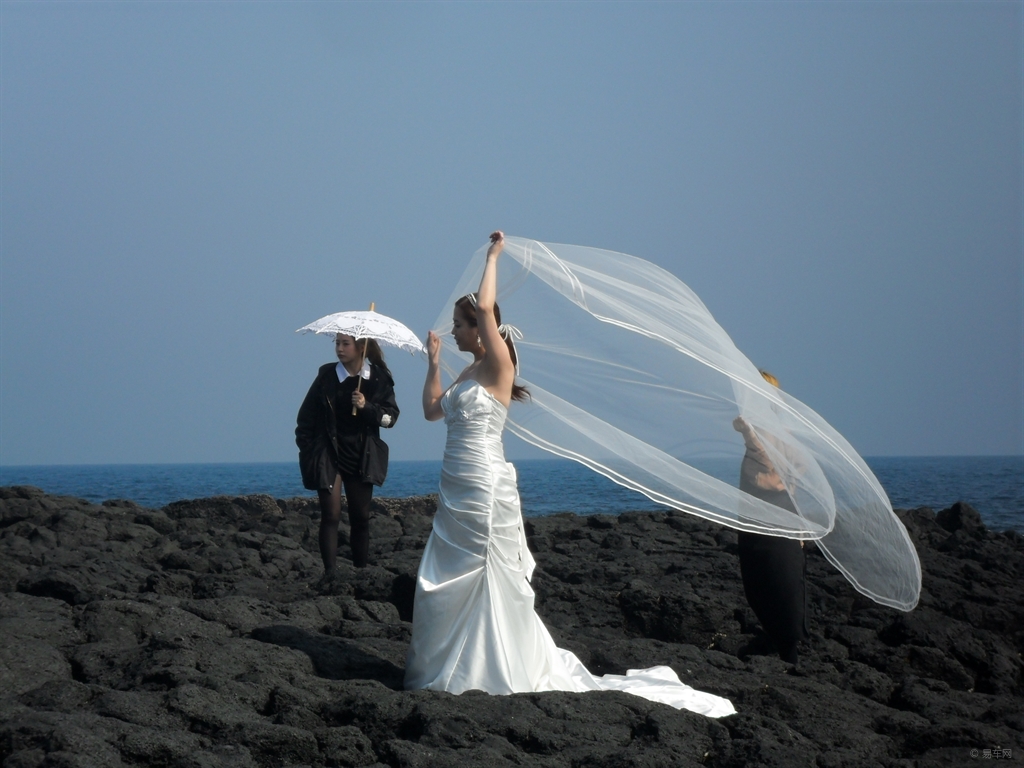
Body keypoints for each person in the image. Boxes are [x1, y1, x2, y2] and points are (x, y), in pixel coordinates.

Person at [403, 231, 735, 717]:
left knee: (488, 570)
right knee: (451, 572)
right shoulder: (465, 374)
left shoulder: (498, 367)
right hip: (456, 483)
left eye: (459, 325)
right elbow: (433, 411)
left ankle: (490, 668)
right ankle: (454, 663)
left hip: (485, 482)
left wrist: (493, 257)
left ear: (480, 328)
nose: (452, 332)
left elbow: (489, 306)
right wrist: (433, 363)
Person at [296, 333, 399, 580]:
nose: (339, 349)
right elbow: (305, 419)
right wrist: (309, 450)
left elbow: (390, 418)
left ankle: (360, 573)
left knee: (360, 517)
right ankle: (330, 574)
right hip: (328, 455)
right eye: (337, 343)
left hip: (362, 456)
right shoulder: (326, 377)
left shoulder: (378, 378)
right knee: (330, 515)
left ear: (361, 347)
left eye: (345, 344)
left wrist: (367, 407)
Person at [732, 369, 809, 665]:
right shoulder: (778, 431)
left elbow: (761, 450)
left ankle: (788, 649)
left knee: (776, 581)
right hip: (764, 519)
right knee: (770, 582)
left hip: (768, 520)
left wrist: (747, 430)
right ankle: (783, 644)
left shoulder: (766, 431)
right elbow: (794, 467)